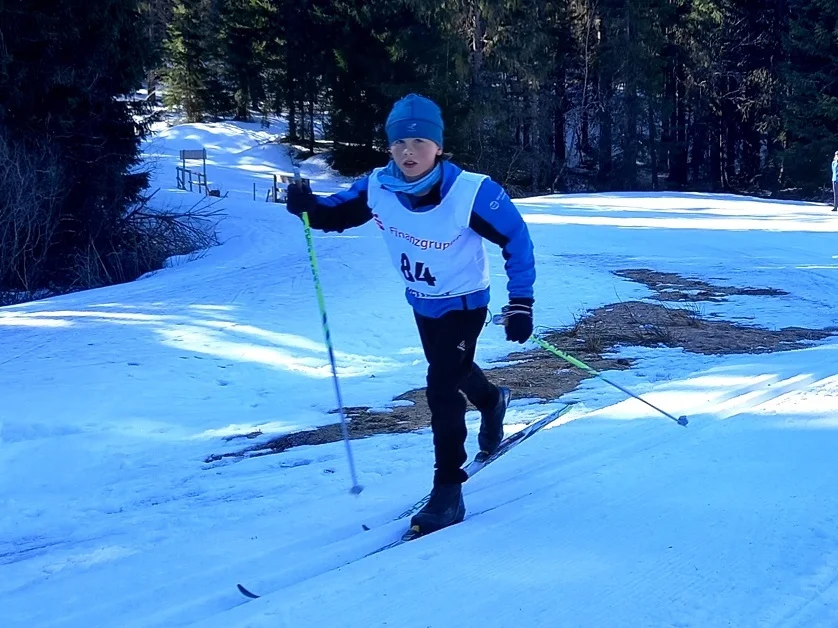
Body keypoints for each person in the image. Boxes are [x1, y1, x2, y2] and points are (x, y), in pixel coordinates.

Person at [284, 93, 536, 534]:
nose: (407, 151)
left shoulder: (470, 192)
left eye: (419, 141)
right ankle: (493, 401)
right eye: (399, 142)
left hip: (464, 302)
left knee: (440, 386)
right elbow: (336, 213)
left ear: (438, 146)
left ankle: (447, 490)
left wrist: (520, 303)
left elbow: (517, 239)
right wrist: (308, 207)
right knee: (453, 370)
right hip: (421, 302)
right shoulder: (379, 186)